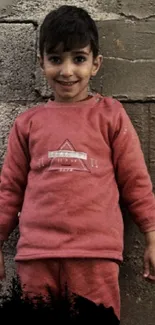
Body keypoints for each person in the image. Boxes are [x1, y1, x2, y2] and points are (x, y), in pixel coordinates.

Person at [0, 4, 155, 323]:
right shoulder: (27, 124)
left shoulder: (110, 116)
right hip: (36, 258)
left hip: (94, 258)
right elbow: (9, 191)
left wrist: (152, 234)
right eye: (56, 59)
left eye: (79, 59)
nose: (67, 71)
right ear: (41, 62)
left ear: (96, 64)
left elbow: (135, 183)